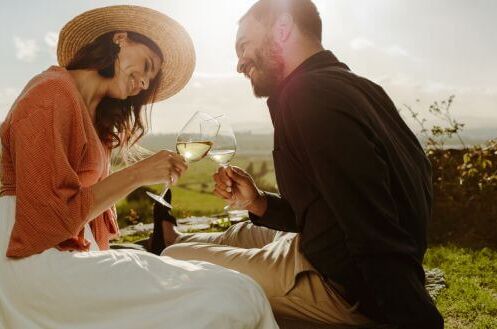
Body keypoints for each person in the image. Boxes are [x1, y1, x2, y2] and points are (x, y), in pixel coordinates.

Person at [155, 0, 444, 328]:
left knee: (172, 262)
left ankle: (172, 247)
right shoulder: (359, 88)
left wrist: (415, 317)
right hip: (322, 250)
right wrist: (258, 202)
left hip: (341, 288)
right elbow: (332, 206)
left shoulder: (309, 96)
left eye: (244, 46)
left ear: (282, 28)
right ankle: (174, 237)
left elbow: (371, 223)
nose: (239, 64)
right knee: (242, 232)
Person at [0, 5, 278, 329]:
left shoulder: (93, 115)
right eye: (147, 65)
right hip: (32, 262)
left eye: (151, 78)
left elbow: (81, 213)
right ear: (120, 39)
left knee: (237, 290)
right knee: (232, 297)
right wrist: (139, 174)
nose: (145, 83)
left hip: (68, 252)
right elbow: (48, 219)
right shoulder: (49, 94)